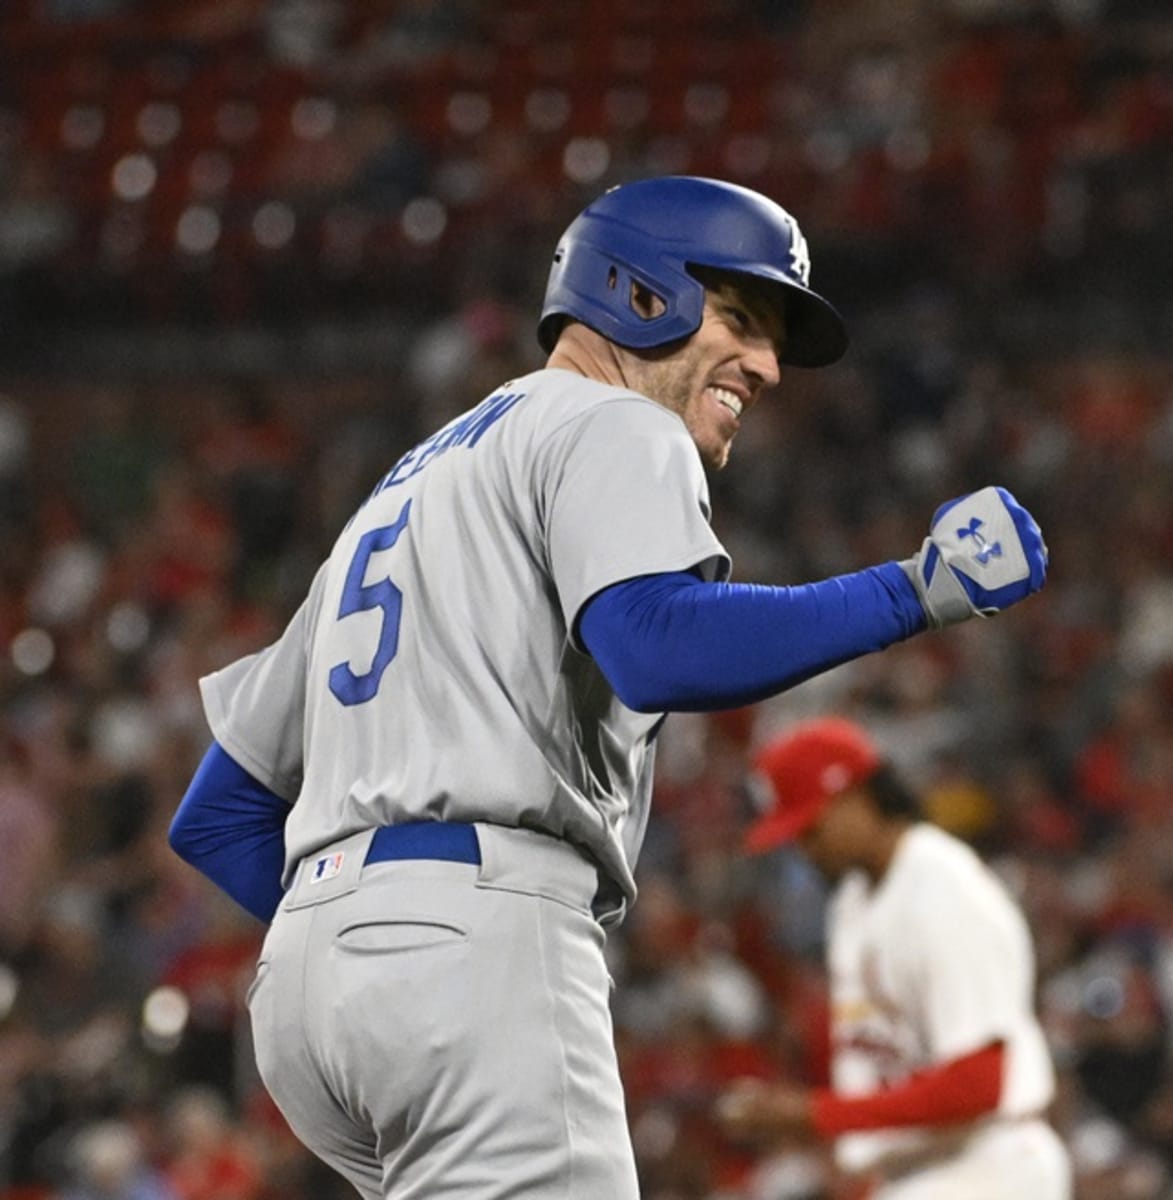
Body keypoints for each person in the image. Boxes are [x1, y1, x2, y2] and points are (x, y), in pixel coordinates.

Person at [168, 175, 1050, 1198]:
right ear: (639, 297)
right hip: (474, 934)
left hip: (307, 993)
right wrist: (914, 591)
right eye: (740, 320)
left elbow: (217, 811)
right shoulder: (612, 420)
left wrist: (362, 930)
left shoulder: (400, 492)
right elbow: (656, 643)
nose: (766, 366)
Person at [717, 716, 1072, 1199]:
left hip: (990, 1163)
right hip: (922, 1171)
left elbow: (979, 1084)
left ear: (858, 798)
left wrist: (815, 1115)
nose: (804, 847)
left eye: (811, 826)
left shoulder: (945, 890)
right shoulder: (852, 902)